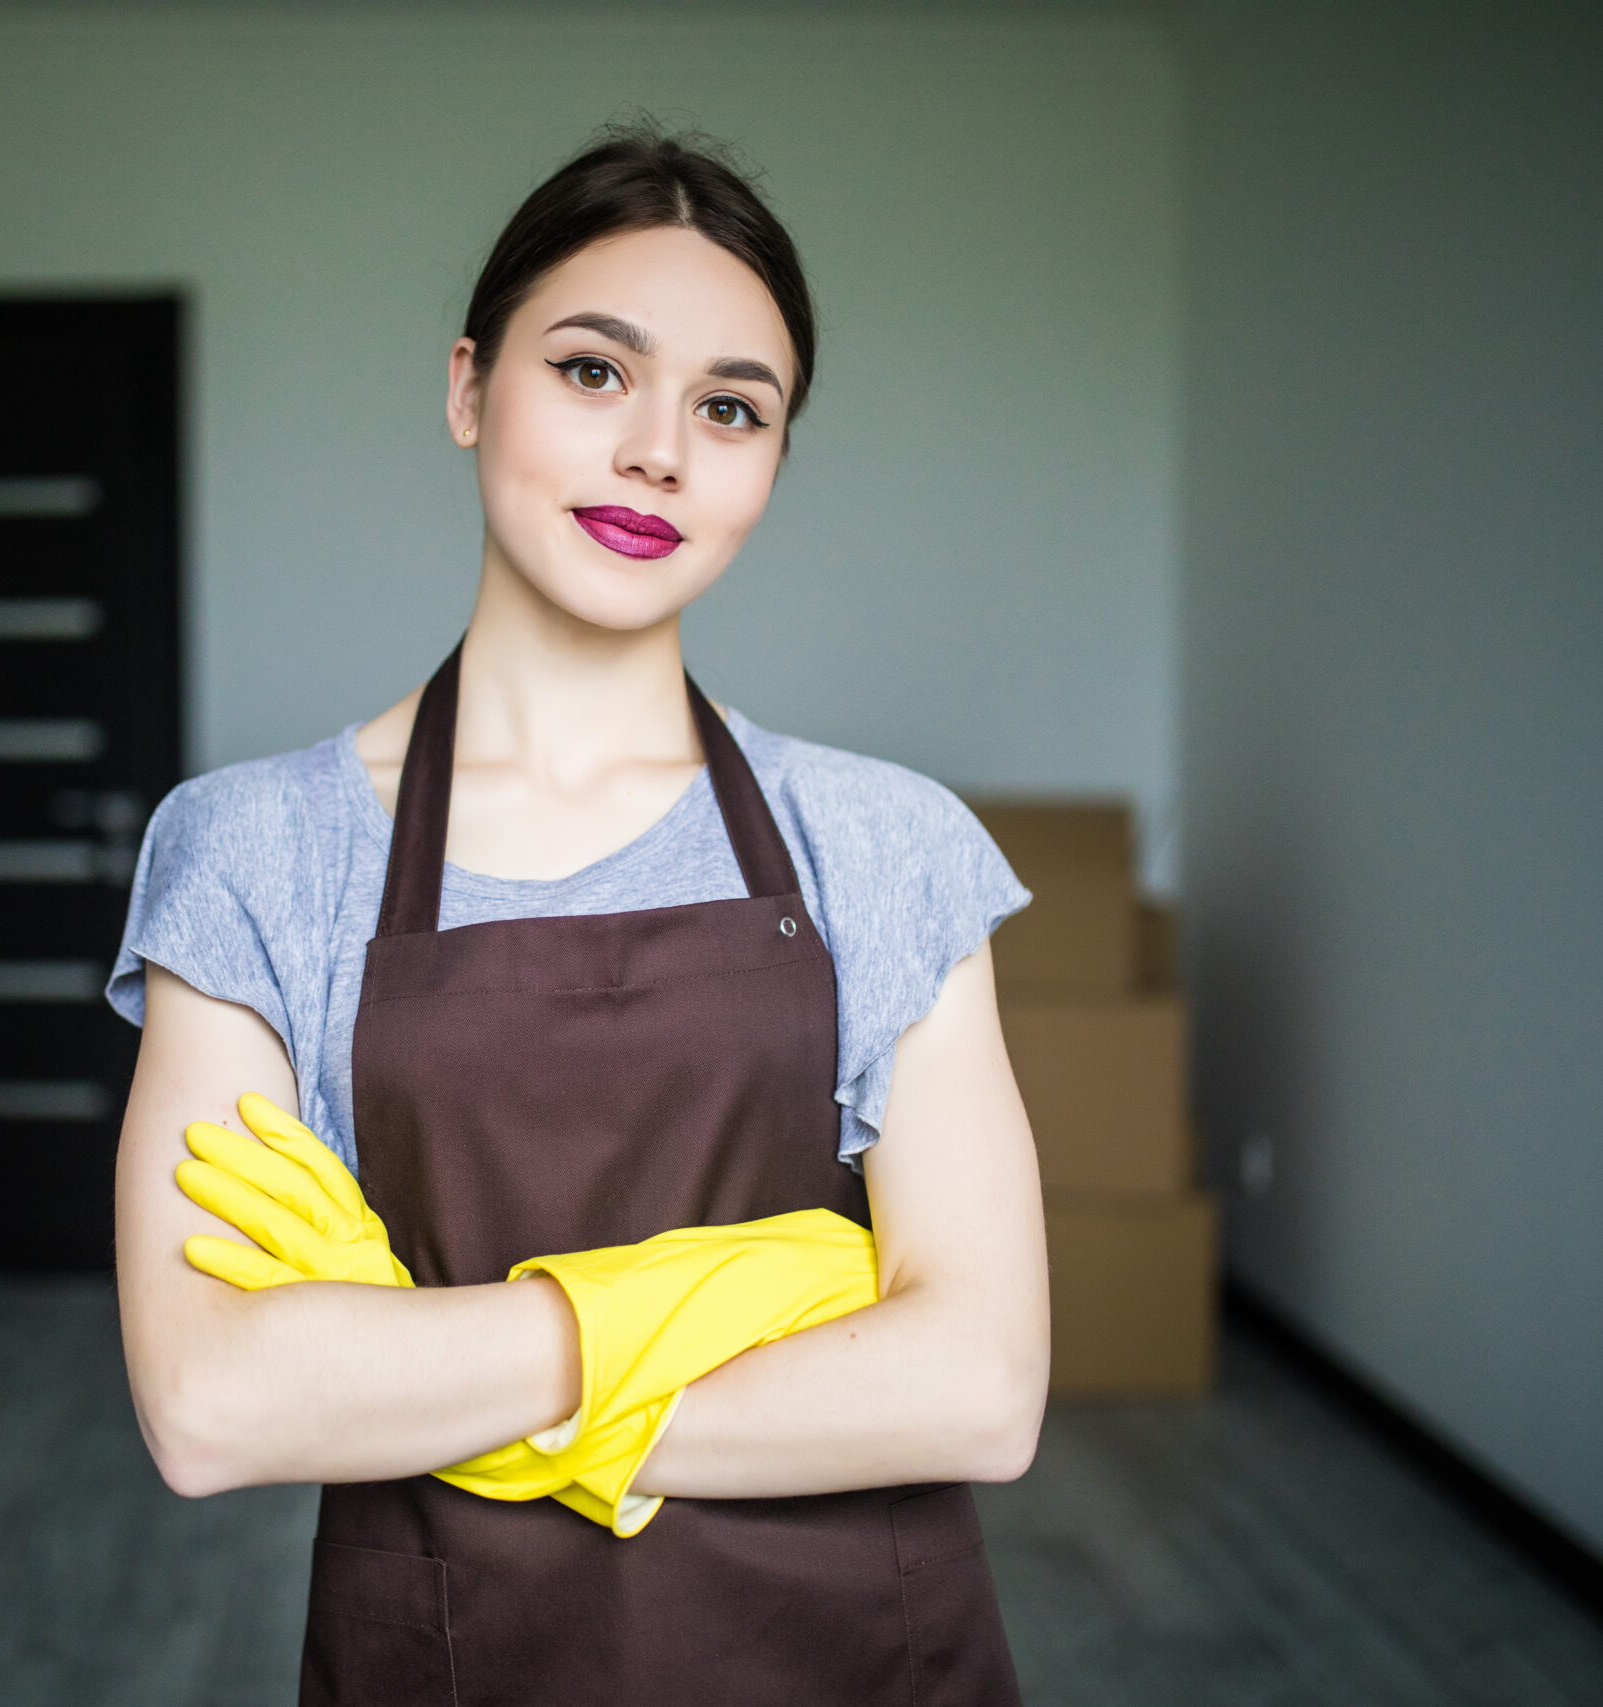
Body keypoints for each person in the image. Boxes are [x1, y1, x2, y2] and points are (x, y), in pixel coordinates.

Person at [108, 126, 1047, 1705]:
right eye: (595, 371)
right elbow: (214, 1408)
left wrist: (412, 1363)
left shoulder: (887, 844)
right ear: (469, 387)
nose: (658, 452)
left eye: (731, 408)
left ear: (772, 465)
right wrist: (711, 1306)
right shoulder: (260, 853)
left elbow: (980, 1389)